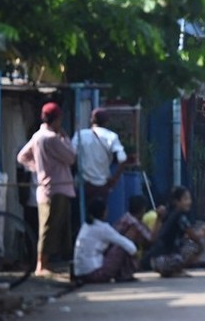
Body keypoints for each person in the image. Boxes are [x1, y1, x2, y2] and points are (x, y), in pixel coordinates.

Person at [17, 102, 76, 275]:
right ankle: (41, 265)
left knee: (50, 226)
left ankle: (45, 263)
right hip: (57, 188)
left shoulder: (37, 136)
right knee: (50, 228)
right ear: (56, 119)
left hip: (45, 187)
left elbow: (22, 157)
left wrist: (37, 167)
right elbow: (71, 157)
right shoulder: (51, 138)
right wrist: (65, 137)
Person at [143, 186, 205, 278]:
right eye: (186, 199)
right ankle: (177, 269)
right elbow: (194, 237)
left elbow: (154, 238)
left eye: (189, 199)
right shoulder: (180, 217)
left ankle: (170, 269)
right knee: (198, 244)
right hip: (165, 260)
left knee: (186, 245)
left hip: (154, 261)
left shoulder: (167, 214)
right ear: (177, 201)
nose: (189, 202)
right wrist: (201, 234)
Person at [73, 198, 138, 284]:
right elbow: (129, 246)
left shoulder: (85, 226)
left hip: (80, 273)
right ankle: (125, 275)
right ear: (103, 212)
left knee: (113, 247)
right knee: (121, 248)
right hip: (95, 273)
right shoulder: (103, 228)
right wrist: (136, 256)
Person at [72, 108, 129, 202]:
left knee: (81, 213)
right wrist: (114, 179)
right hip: (102, 185)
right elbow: (122, 159)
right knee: (98, 214)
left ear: (91, 120)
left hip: (83, 184)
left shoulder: (80, 134)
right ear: (107, 122)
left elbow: (72, 156)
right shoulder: (111, 136)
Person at [114, 195, 161, 261]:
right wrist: (159, 218)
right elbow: (151, 240)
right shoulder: (134, 224)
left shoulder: (125, 218)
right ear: (142, 209)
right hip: (124, 259)